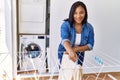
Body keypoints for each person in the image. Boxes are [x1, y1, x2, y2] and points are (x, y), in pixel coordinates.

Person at [58, 1, 94, 67]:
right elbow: (64, 40)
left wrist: (74, 50)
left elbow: (90, 45)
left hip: (80, 52)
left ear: (85, 13)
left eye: (81, 13)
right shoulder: (65, 25)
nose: (78, 16)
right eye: (75, 13)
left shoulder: (89, 27)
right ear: (72, 14)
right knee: (65, 73)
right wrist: (70, 52)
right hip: (65, 51)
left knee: (77, 72)